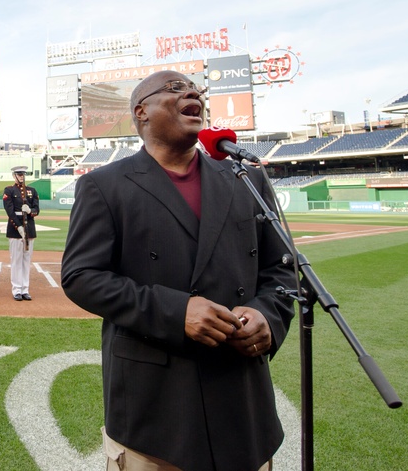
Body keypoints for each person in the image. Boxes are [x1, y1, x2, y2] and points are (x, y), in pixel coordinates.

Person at [60, 71, 296, 471]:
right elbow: (82, 276)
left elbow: (282, 270)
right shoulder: (104, 185)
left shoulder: (246, 176)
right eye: (174, 89)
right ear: (142, 113)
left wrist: (268, 317)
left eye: (195, 89)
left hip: (243, 404)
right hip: (155, 412)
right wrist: (176, 312)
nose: (192, 92)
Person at [3, 166, 38, 301]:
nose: (22, 176)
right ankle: (17, 289)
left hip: (29, 227)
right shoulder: (9, 190)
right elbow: (9, 211)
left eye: (23, 174)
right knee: (16, 260)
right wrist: (18, 226)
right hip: (15, 229)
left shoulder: (32, 191)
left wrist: (30, 211)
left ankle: (25, 289)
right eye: (19, 174)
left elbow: (37, 209)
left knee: (26, 260)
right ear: (14, 176)